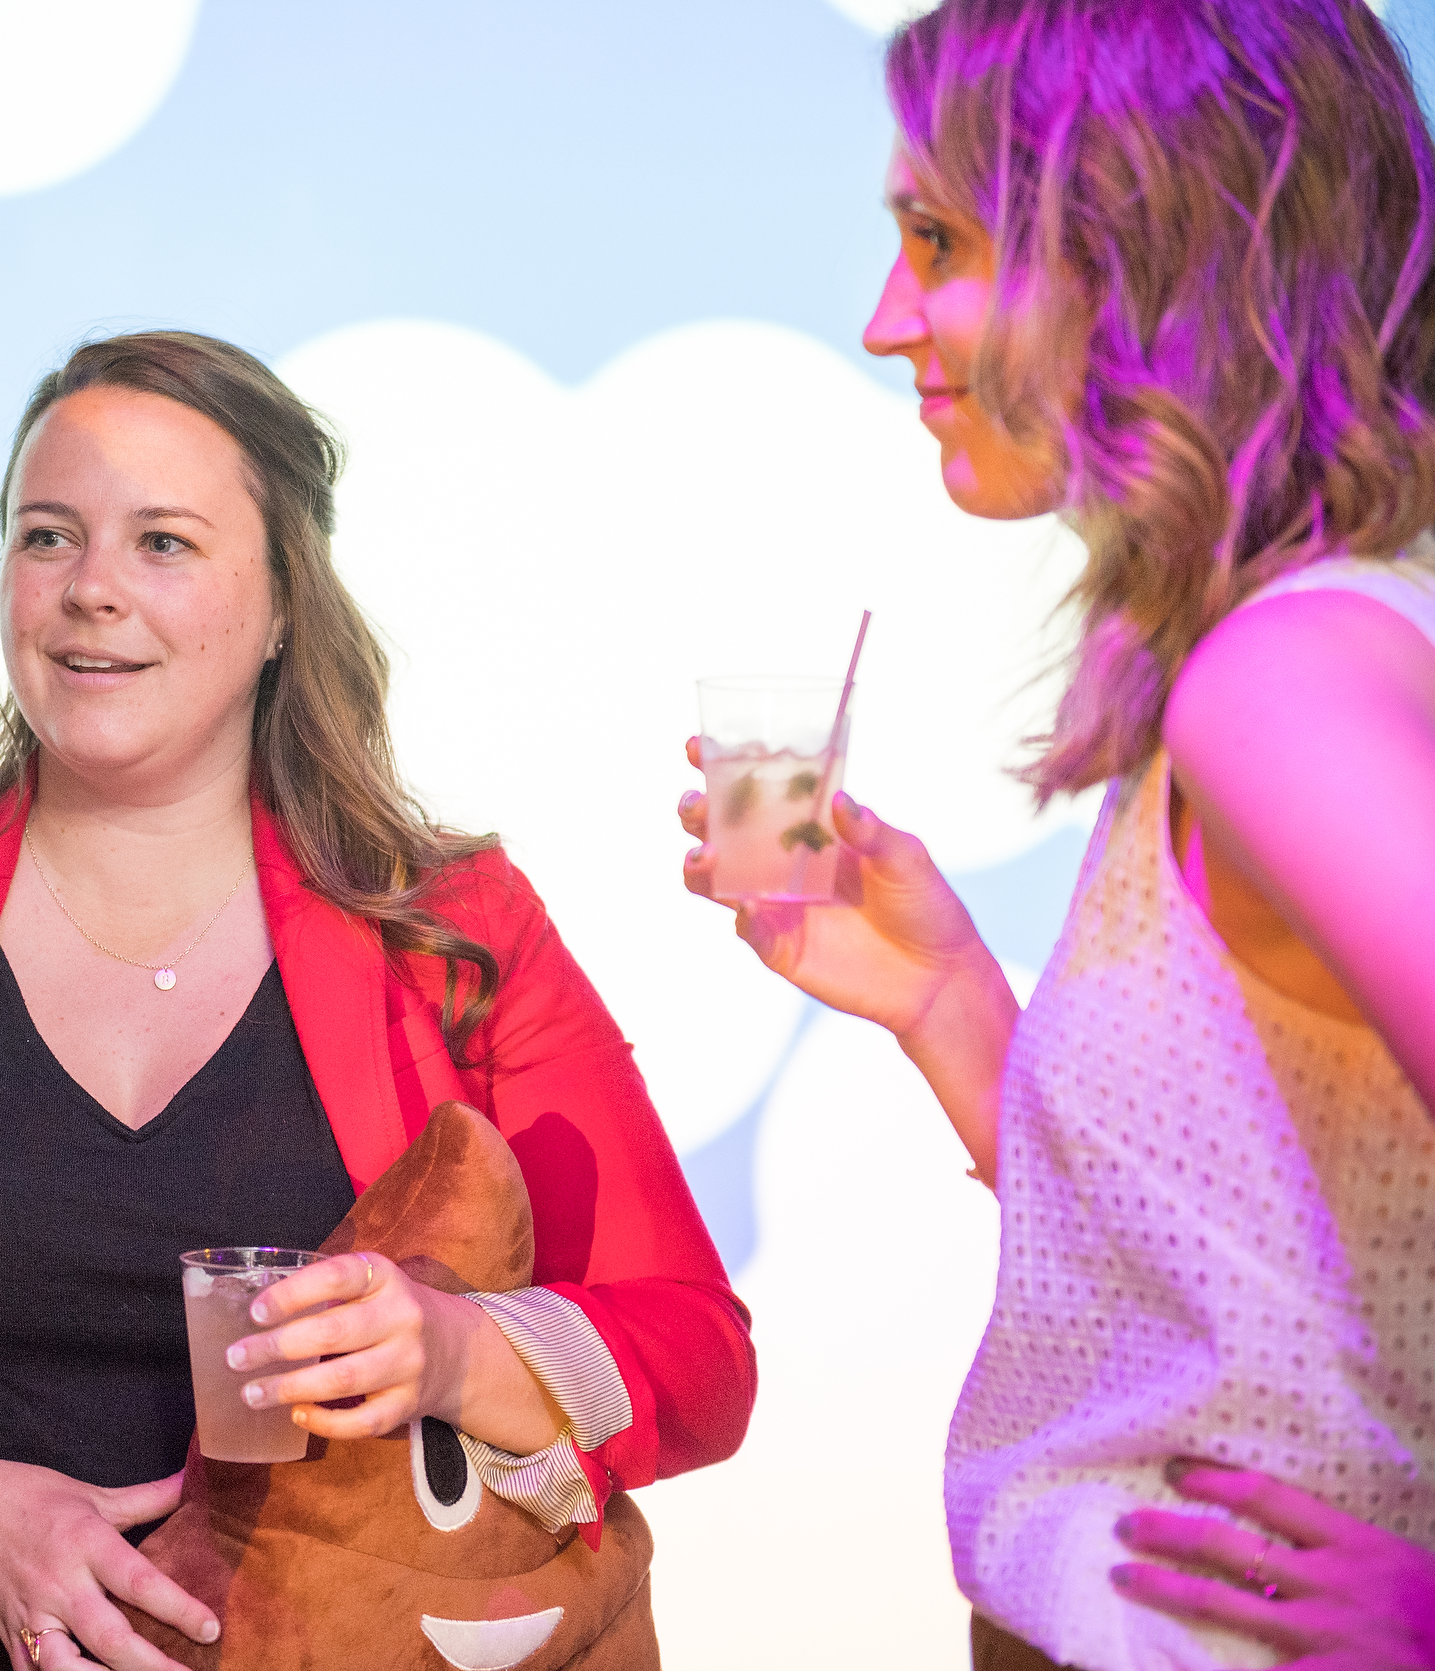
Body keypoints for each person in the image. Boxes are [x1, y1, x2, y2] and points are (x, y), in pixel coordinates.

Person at [0, 330, 756, 1671]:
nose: (91, 589)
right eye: (47, 537)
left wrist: (450, 1353)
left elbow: (696, 1356)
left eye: (163, 543)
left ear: (279, 608)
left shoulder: (450, 927)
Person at [677, 2, 1435, 1667]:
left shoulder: (1282, 679)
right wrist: (952, 1005)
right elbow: (1238, 1283)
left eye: (940, 239)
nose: (889, 319)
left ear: (1147, 242)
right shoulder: (1289, 646)